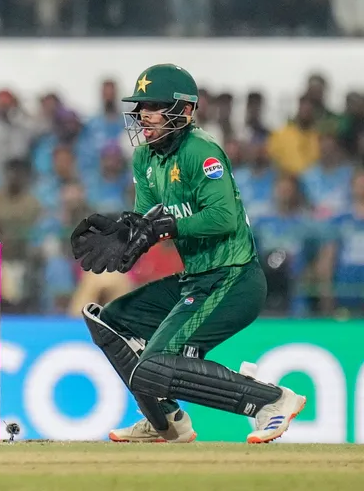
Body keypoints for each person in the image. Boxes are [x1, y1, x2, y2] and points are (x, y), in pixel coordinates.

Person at [70, 64, 305, 444]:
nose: (144, 116)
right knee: (109, 321)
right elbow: (150, 219)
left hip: (233, 277)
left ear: (183, 111)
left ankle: (271, 401)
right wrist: (131, 237)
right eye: (141, 107)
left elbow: (224, 217)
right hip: (196, 279)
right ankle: (166, 423)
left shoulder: (202, 151)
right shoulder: (144, 159)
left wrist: (166, 228)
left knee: (154, 366)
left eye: (155, 106)